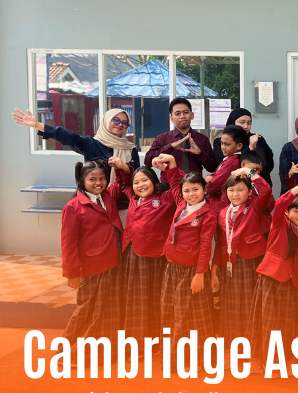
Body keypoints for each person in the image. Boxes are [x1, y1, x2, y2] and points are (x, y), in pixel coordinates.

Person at [154, 154, 216, 369]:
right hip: (173, 267)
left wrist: (200, 274)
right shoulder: (181, 203)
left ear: (205, 190)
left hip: (191, 271)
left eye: (196, 189)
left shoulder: (208, 215)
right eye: (187, 190)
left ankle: (194, 359)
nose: (191, 194)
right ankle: (172, 355)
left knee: (189, 315)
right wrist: (171, 162)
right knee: (171, 311)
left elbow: (206, 247)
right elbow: (173, 182)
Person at [108, 159, 176, 350]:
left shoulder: (165, 198)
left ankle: (153, 342)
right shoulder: (132, 197)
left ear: (155, 182)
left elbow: (178, 189)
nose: (140, 185)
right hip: (131, 253)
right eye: (136, 182)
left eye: (145, 180)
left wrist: (169, 169)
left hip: (152, 256)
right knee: (134, 298)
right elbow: (123, 183)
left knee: (152, 298)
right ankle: (135, 342)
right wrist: (123, 168)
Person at [13, 107, 139, 207]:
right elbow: (67, 136)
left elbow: (135, 178)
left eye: (125, 123)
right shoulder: (90, 144)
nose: (120, 124)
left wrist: (124, 167)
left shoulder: (130, 149)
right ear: (106, 120)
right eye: (116, 120)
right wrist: (39, 125)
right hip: (94, 203)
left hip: (123, 205)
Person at [211, 168, 273, 357]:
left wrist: (249, 171)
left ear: (249, 191)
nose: (235, 194)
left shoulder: (254, 206)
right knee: (229, 307)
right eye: (231, 190)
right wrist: (214, 270)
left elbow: (266, 191)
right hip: (229, 264)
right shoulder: (222, 212)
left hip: (251, 263)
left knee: (249, 305)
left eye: (240, 190)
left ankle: (252, 348)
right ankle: (231, 347)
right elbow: (221, 242)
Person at [61, 160, 123, 350]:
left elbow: (122, 182)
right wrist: (72, 273)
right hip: (91, 265)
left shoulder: (108, 196)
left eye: (102, 178)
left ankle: (100, 350)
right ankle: (68, 349)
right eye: (92, 179)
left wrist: (120, 166)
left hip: (113, 261)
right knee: (87, 307)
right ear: (82, 180)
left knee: (107, 308)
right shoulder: (73, 207)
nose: (98, 183)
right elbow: (68, 243)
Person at [250, 181, 298, 372]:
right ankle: (269, 362)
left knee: (286, 322)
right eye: (296, 211)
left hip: (288, 282)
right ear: (287, 212)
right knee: (270, 323)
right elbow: (279, 204)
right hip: (272, 278)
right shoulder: (279, 222)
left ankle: (281, 359)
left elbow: (296, 262)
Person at [144, 98, 216, 175]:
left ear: (192, 115)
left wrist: (200, 153)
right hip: (169, 182)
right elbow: (148, 161)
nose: (182, 116)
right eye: (177, 113)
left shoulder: (202, 139)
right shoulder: (162, 138)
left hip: (195, 182)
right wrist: (171, 147)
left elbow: (212, 168)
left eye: (186, 112)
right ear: (171, 118)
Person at [212, 108, 275, 187]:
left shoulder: (258, 139)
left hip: (260, 185)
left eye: (249, 123)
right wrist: (250, 148)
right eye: (242, 122)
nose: (246, 126)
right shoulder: (221, 142)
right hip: (234, 187)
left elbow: (269, 163)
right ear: (233, 121)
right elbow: (225, 165)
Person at [205, 125, 247, 210]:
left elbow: (212, 188)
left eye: (227, 144)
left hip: (221, 206)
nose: (223, 147)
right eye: (222, 143)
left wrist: (209, 179)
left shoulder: (231, 163)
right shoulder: (230, 159)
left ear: (239, 146)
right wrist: (211, 177)